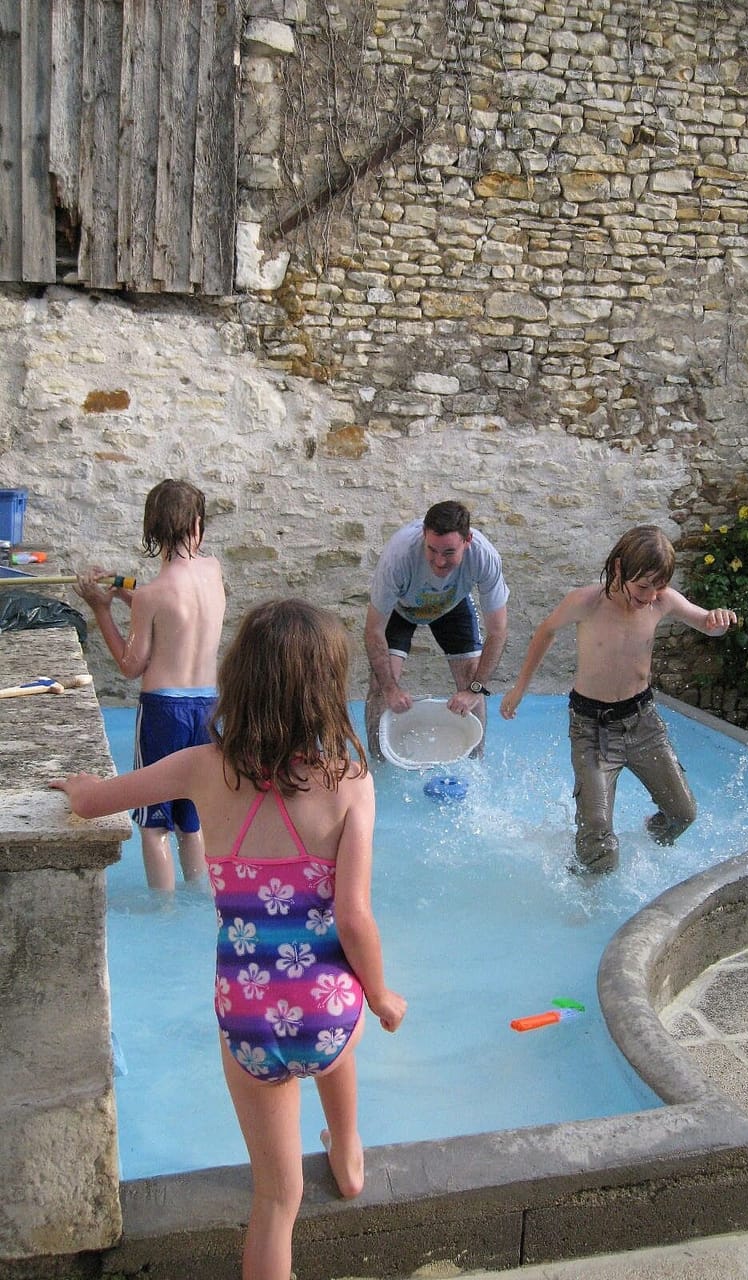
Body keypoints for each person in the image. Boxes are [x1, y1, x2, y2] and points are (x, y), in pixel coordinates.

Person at [52, 598, 407, 1280]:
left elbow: (97, 801)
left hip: (248, 1019)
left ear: (238, 680)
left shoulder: (200, 768)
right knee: (342, 1011)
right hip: (330, 1016)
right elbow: (356, 919)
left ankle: (316, 1174)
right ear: (328, 689)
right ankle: (350, 1152)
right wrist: (384, 995)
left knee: (276, 1200)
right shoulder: (350, 784)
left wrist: (78, 786)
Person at [500, 526, 737, 874]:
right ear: (619, 569)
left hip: (643, 722)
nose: (651, 595)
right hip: (592, 727)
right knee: (598, 835)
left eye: (659, 585)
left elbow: (705, 622)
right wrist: (520, 687)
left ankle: (644, 842)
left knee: (682, 814)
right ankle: (586, 883)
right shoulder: (586, 603)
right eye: (643, 586)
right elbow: (546, 631)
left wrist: (718, 620)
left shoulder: (661, 601)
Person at [74, 478, 225, 891]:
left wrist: (101, 607)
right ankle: (198, 898)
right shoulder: (213, 572)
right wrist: (123, 584)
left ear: (152, 531)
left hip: (164, 711)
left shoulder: (152, 595)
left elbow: (130, 664)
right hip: (208, 708)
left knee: (154, 822)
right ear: (198, 524)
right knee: (191, 817)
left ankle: (163, 910)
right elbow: (173, 610)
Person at [363, 499, 509, 757]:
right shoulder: (398, 556)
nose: (440, 562)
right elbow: (374, 630)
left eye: (449, 553)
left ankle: (476, 763)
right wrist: (390, 688)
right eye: (432, 550)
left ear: (468, 540)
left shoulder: (485, 557)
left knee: (471, 679)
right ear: (423, 537)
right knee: (379, 685)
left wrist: (474, 690)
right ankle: (377, 765)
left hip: (452, 605)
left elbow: (497, 631)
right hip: (401, 609)